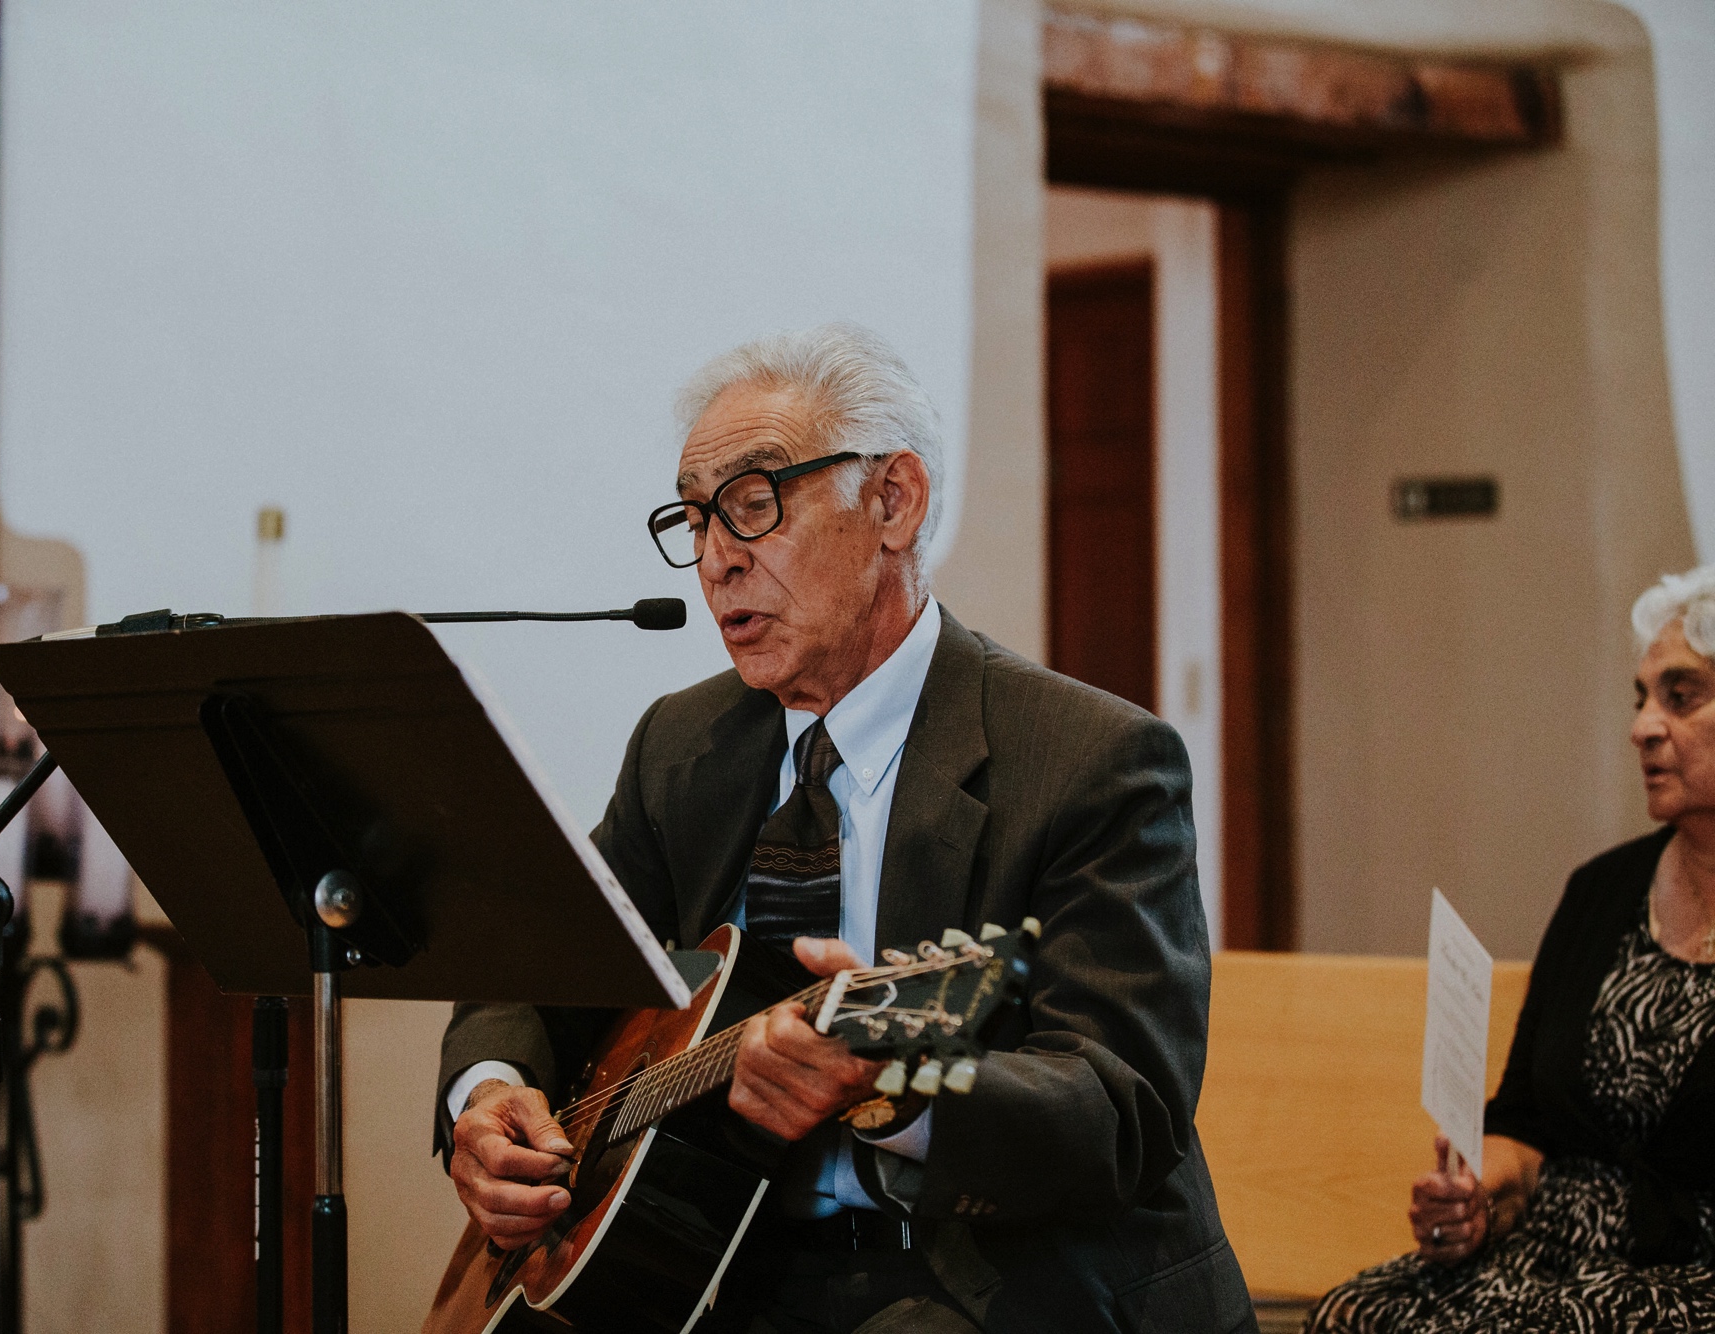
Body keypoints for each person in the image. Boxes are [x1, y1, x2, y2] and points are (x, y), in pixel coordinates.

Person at [434, 324, 1252, 1333]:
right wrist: (489, 1096)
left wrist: (896, 1085)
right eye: (692, 519)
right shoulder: (682, 747)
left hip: (995, 1276)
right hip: (733, 1269)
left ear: (893, 501)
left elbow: (1121, 1107)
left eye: (751, 503)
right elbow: (544, 960)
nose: (716, 560)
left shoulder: (1088, 759)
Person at [1307, 568, 1715, 1332]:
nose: (1644, 726)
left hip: (1687, 1277)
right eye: (1641, 699)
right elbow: (1524, 1120)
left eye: (1681, 696)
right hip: (1546, 1251)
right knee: (1352, 1315)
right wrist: (1475, 1198)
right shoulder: (1602, 890)